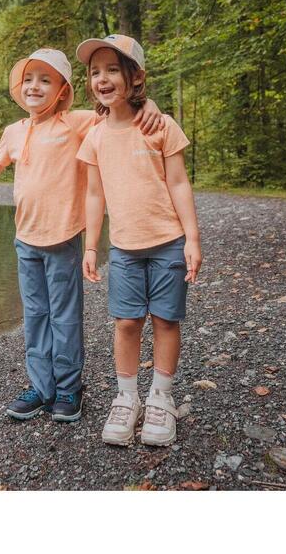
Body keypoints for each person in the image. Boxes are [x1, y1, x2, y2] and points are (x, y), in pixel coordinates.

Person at [0, 48, 164, 423]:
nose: (35, 86)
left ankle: (69, 387)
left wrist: (150, 102)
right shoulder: (15, 131)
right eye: (29, 79)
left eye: (46, 80)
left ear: (62, 91)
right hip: (25, 239)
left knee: (64, 316)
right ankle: (41, 387)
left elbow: (117, 109)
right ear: (18, 87)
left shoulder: (74, 122)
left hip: (63, 239)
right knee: (35, 315)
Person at [76, 34, 202, 447]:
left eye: (113, 69)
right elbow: (94, 194)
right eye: (95, 72)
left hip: (167, 240)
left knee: (166, 319)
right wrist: (91, 246)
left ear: (136, 78)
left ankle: (161, 397)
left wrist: (192, 239)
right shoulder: (94, 135)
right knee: (127, 322)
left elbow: (179, 183)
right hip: (124, 248)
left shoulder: (159, 125)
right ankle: (127, 397)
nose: (103, 78)